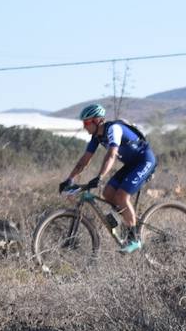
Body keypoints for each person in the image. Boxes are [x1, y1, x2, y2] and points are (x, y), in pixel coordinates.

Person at [59, 103, 156, 253]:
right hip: (131, 164)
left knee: (122, 196)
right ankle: (128, 221)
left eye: (86, 123)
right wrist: (69, 179)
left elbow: (111, 154)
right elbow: (84, 160)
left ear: (97, 121)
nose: (84, 126)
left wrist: (100, 176)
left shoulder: (113, 129)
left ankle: (134, 239)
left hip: (144, 161)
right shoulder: (96, 137)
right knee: (108, 193)